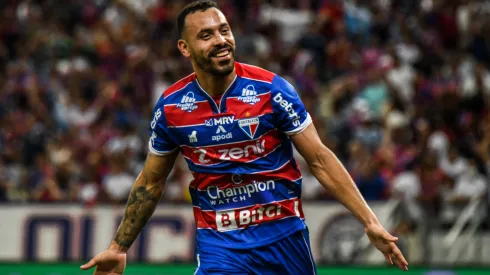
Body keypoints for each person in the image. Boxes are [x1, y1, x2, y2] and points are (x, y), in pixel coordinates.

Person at [80, 1, 408, 274]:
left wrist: (370, 221)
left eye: (224, 30)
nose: (221, 40)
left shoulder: (272, 90)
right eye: (206, 35)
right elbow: (151, 183)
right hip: (221, 244)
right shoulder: (171, 107)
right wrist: (118, 247)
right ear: (185, 48)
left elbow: (319, 159)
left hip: (284, 239)